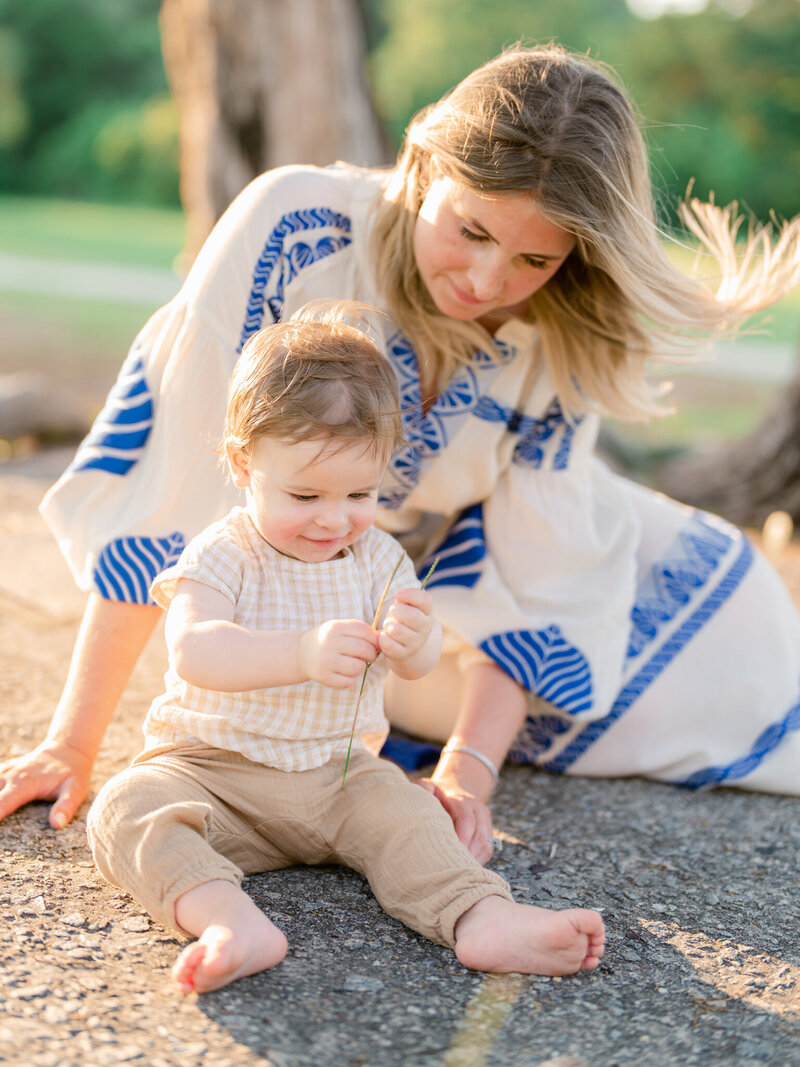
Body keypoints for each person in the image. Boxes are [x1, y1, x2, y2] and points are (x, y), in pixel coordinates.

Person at [1, 43, 799, 863]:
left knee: (735, 633)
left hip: (433, 578)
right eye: (472, 230)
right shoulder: (297, 227)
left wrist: (468, 773)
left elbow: (543, 573)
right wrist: (73, 743)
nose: (488, 280)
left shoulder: (563, 333)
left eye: (535, 259)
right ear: (424, 163)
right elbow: (173, 484)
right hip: (297, 571)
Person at [85, 303, 606, 993]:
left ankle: (481, 916)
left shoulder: (378, 558)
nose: (333, 517)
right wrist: (300, 652)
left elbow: (412, 664)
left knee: (411, 816)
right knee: (126, 805)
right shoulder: (225, 552)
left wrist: (416, 644)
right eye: (304, 493)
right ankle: (229, 919)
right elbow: (193, 649)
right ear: (244, 465)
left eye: (360, 491)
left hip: (339, 776)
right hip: (215, 774)